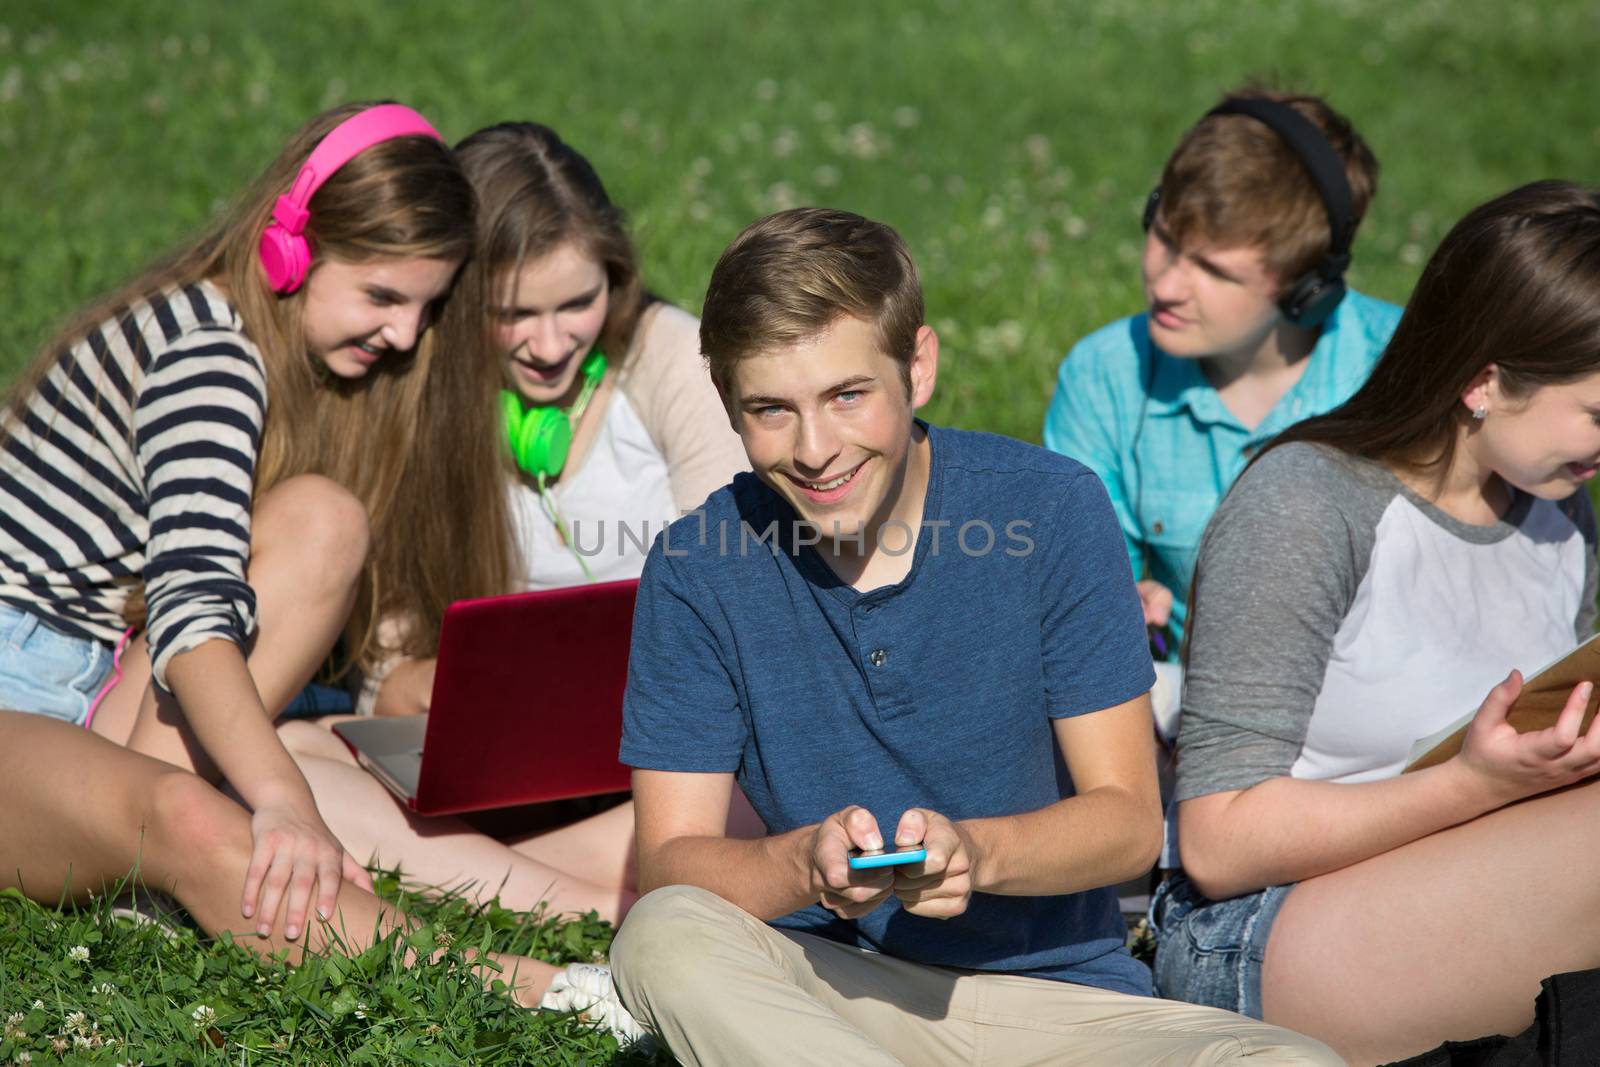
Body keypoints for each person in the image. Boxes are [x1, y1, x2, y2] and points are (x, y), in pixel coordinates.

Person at [605, 207, 1341, 1065]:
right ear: (728, 405)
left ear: (917, 366)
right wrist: (804, 864)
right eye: (771, 409)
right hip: (822, 988)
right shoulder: (698, 564)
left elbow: (1129, 824)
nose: (814, 449)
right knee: (659, 935)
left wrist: (977, 853)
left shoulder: (1050, 509)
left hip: (1060, 1003)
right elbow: (668, 862)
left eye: (848, 395)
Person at [0, 102, 580, 1010]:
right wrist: (282, 799)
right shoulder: (206, 354)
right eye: (384, 296)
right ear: (290, 251)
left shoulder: (242, 346)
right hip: (21, 686)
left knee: (322, 524)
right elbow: (193, 616)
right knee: (221, 811)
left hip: (95, 681)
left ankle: (624, 919)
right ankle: (554, 996)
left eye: (426, 308)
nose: (404, 335)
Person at [1154, 181, 1600, 1066]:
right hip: (1258, 929)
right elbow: (1216, 840)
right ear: (1484, 380)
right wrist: (1474, 786)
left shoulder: (1563, 516)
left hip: (1458, 879)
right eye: (1597, 411)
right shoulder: (1309, 503)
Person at [276, 120, 749, 929]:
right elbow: (385, 651)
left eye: (579, 302)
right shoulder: (414, 398)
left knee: (756, 796)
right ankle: (593, 897)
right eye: (514, 313)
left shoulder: (672, 357)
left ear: (616, 277)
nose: (551, 341)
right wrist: (402, 683)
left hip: (673, 765)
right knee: (291, 752)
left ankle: (466, 877)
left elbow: (740, 576)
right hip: (499, 774)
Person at [1042, 87, 1400, 742]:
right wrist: (1116, 610)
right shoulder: (1105, 377)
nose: (1167, 282)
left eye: (1213, 269)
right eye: (1165, 237)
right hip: (1198, 724)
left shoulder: (1405, 371)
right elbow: (1079, 605)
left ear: (1306, 290)